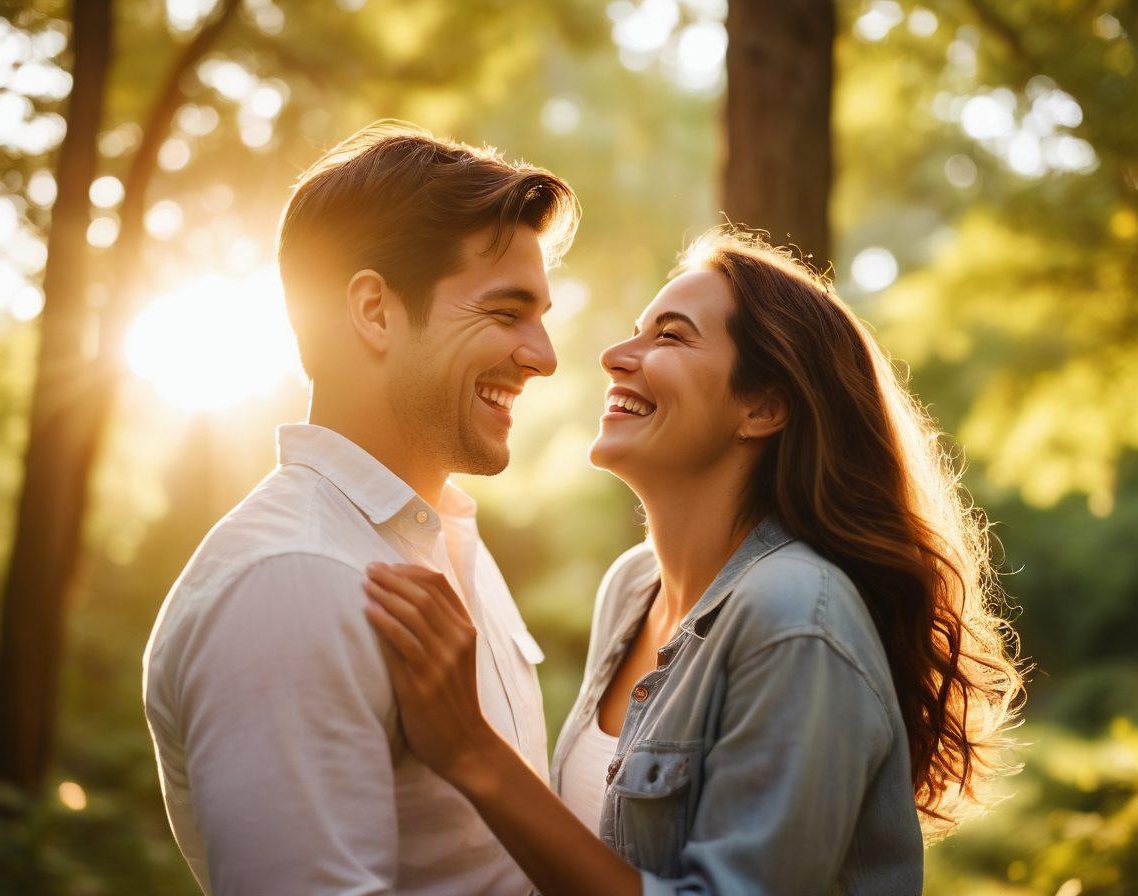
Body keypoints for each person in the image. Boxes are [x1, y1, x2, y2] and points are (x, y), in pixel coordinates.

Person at [363, 227, 1026, 895]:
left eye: (671, 336)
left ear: (763, 406)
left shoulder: (795, 616)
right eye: (636, 331)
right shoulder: (631, 587)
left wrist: (473, 753)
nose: (617, 356)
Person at [142, 122, 579, 895]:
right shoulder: (291, 580)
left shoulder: (441, 539)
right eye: (507, 313)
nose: (543, 356)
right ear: (375, 311)